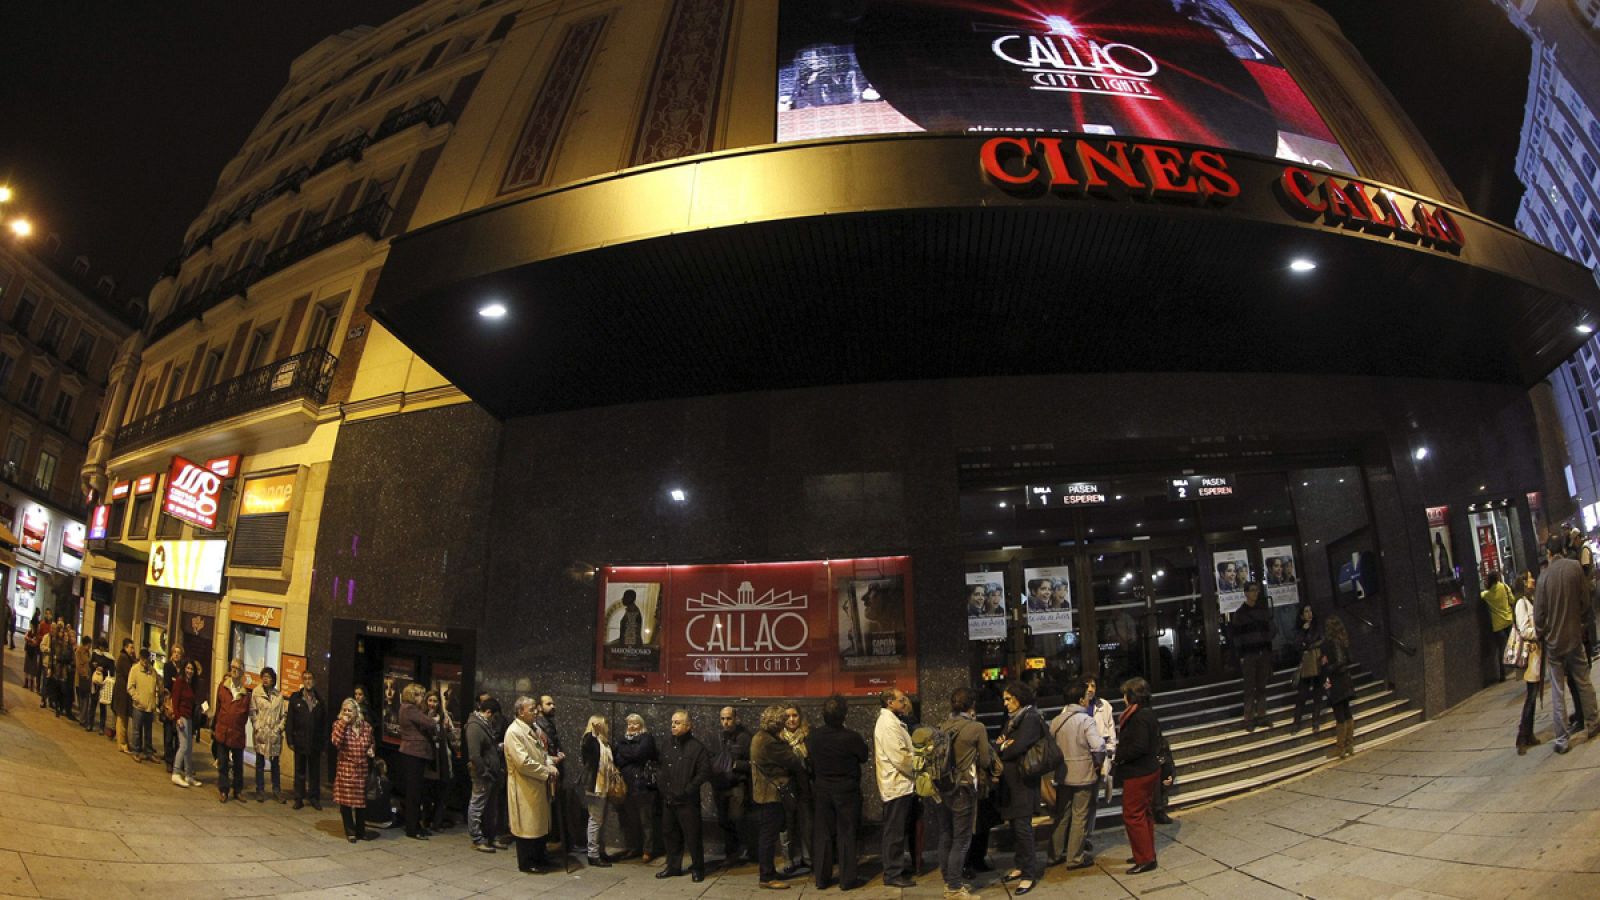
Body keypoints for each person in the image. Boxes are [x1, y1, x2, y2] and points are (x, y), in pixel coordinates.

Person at [1534, 533, 1600, 753]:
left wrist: (1543, 633)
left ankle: (1562, 739)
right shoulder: (1574, 568)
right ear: (1563, 549)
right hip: (1574, 637)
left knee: (1557, 690)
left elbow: (1538, 617)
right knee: (1583, 680)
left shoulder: (1543, 578)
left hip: (1554, 644)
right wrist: (1579, 621)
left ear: (1549, 553)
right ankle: (1593, 722)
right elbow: (1585, 601)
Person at [938, 687, 997, 900]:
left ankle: (948, 880)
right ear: (972, 705)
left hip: (944, 788)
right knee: (961, 840)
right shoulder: (976, 727)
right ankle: (954, 888)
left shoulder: (943, 726)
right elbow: (985, 760)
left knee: (946, 835)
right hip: (963, 788)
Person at [806, 694, 868, 891]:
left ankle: (821, 878)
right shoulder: (852, 737)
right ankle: (847, 879)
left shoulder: (813, 737)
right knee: (846, 833)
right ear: (844, 715)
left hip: (822, 789)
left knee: (822, 833)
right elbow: (863, 756)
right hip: (847, 790)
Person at [750, 704, 806, 890]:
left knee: (767, 834)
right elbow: (793, 760)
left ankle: (768, 872)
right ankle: (766, 876)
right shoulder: (770, 742)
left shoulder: (759, 737)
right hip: (771, 794)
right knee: (768, 836)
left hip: (763, 793)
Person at [1049, 678, 1103, 872]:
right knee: (1080, 815)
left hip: (1063, 774)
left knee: (1062, 815)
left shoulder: (1056, 720)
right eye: (1086, 696)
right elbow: (1098, 745)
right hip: (1083, 774)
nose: (1088, 699)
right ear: (1080, 700)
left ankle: (1054, 854)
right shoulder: (1085, 720)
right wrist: (1098, 762)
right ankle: (1075, 857)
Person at [995, 681, 1044, 894]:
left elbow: (1018, 746)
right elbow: (998, 743)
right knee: (1016, 826)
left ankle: (1028, 874)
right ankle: (1021, 865)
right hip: (1012, 781)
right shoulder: (1013, 718)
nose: (1005, 703)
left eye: (1008, 699)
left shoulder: (1030, 717)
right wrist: (1003, 745)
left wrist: (1004, 747)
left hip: (1023, 780)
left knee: (1023, 827)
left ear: (1019, 698)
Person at [506, 695, 559, 874]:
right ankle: (527, 862)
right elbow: (523, 762)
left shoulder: (532, 728)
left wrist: (549, 763)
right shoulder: (514, 732)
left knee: (538, 824)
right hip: (524, 786)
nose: (536, 712)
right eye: (531, 710)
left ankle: (539, 857)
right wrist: (545, 771)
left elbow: (542, 752)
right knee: (527, 826)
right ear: (520, 712)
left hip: (537, 785)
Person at [1116, 677, 1163, 875]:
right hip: (1147, 769)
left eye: (1125, 695)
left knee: (1133, 814)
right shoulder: (1146, 713)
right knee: (1144, 813)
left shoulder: (1139, 716)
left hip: (1139, 772)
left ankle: (1145, 858)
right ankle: (1145, 852)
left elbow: (1139, 746)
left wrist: (1118, 756)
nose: (1123, 699)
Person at [872, 688, 916, 889]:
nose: (905, 702)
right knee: (894, 832)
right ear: (890, 702)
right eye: (901, 699)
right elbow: (900, 757)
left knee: (897, 830)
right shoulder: (888, 724)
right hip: (896, 785)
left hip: (899, 784)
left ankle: (895, 868)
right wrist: (918, 766)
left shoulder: (892, 721)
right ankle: (892, 873)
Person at [615, 712, 662, 862]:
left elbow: (640, 754)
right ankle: (635, 847)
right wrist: (632, 754)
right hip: (626, 786)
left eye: (635, 723)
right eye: (629, 723)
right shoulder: (622, 740)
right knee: (631, 820)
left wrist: (626, 753)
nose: (632, 726)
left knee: (645, 820)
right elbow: (618, 759)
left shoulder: (647, 738)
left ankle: (648, 850)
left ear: (641, 725)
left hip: (643, 786)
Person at [331, 696, 378, 843]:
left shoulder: (366, 727)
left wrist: (371, 749)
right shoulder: (338, 725)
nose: (347, 713)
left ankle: (361, 831)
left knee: (361, 802)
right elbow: (335, 742)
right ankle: (350, 831)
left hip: (361, 769)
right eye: (344, 710)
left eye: (349, 710)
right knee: (346, 802)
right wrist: (343, 724)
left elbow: (372, 742)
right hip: (346, 768)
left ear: (356, 712)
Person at [397, 682, 439, 838]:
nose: (422, 698)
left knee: (416, 792)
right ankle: (412, 828)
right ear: (412, 696)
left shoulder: (408, 709)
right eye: (420, 695)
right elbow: (429, 723)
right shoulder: (409, 709)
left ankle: (415, 825)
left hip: (414, 753)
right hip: (414, 753)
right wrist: (435, 718)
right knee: (414, 793)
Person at [713, 706, 754, 866]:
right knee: (724, 820)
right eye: (723, 719)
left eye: (729, 718)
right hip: (721, 783)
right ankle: (731, 853)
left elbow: (753, 762)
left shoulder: (744, 737)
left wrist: (736, 765)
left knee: (737, 818)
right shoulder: (717, 737)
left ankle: (743, 849)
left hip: (737, 783)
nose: (726, 722)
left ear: (736, 719)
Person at [1230, 581, 1274, 730]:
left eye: (1257, 590)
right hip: (1249, 654)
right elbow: (1236, 637)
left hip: (1263, 652)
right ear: (1246, 593)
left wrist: (1268, 648)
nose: (1256, 593)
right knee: (1249, 687)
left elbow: (1270, 630)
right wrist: (1241, 655)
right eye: (1253, 590)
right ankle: (1248, 719)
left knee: (1262, 686)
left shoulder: (1262, 611)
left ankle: (1262, 716)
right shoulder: (1240, 614)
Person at [465, 695, 507, 852]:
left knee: (491, 807)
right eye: (494, 717)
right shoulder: (474, 727)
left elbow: (488, 748)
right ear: (488, 712)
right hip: (482, 774)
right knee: (477, 806)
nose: (495, 721)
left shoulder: (483, 725)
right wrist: (485, 771)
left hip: (491, 773)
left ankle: (490, 837)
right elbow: (474, 755)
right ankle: (477, 839)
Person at [1082, 675, 1118, 845]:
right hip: (1081, 758)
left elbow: (1111, 732)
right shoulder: (1074, 708)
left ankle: (1087, 836)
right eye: (1087, 686)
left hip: (1099, 758)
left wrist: (1110, 753)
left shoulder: (1104, 706)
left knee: (1093, 799)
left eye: (1093, 686)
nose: (1090, 689)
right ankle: (1078, 837)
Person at [579, 715, 617, 867]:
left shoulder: (604, 743)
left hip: (604, 785)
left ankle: (600, 851)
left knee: (601, 820)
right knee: (595, 820)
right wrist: (593, 732)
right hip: (594, 787)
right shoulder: (590, 740)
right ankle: (593, 854)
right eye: (604, 724)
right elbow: (587, 747)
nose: (606, 727)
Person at [288, 669, 329, 809]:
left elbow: (324, 724)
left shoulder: (320, 701)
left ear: (314, 681)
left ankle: (314, 797)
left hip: (315, 742)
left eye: (310, 678)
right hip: (300, 740)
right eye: (305, 678)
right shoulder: (296, 699)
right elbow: (290, 721)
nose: (307, 681)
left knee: (314, 772)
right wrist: (290, 739)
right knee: (299, 771)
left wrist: (324, 743)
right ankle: (299, 797)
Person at [779, 705, 812, 876]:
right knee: (787, 825)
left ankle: (808, 857)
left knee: (807, 823)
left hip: (804, 785)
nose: (791, 720)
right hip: (786, 786)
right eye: (788, 716)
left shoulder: (807, 736)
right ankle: (788, 859)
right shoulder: (779, 738)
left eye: (795, 715)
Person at [1513, 582, 1545, 754]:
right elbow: (1524, 630)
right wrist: (1539, 632)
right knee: (1531, 695)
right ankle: (1522, 735)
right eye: (1530, 578)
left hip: (1536, 654)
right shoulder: (1521, 603)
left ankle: (1528, 733)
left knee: (1533, 694)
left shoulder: (1530, 600)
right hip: (1530, 655)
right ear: (1523, 583)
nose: (1533, 581)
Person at [214, 659, 251, 802]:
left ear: (242, 672)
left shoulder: (245, 694)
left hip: (237, 733)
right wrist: (215, 726)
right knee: (223, 763)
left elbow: (245, 714)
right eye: (232, 667)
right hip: (223, 731)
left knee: (238, 764)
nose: (234, 670)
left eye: (237, 668)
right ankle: (223, 790)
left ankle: (238, 790)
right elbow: (218, 707)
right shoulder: (223, 687)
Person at [421, 689, 458, 831]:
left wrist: (447, 730)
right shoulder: (422, 716)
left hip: (443, 758)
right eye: (430, 700)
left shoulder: (444, 716)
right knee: (427, 792)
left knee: (442, 793)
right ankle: (426, 820)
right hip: (429, 759)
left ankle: (437, 822)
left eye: (435, 701)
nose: (432, 704)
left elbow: (453, 736)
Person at [1320, 615, 1356, 757]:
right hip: (1345, 679)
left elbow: (1326, 664)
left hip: (1335, 681)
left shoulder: (1327, 644)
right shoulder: (1343, 641)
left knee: (1339, 714)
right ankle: (1349, 745)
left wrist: (1328, 670)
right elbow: (1349, 659)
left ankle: (1340, 748)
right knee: (1347, 712)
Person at [250, 666, 287, 803]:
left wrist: (279, 728)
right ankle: (260, 790)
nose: (266, 679)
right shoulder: (256, 693)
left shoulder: (279, 696)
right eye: (264, 676)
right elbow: (252, 712)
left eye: (269, 677)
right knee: (260, 762)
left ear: (273, 680)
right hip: (261, 732)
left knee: (275, 763)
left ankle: (276, 790)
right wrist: (257, 726)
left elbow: (284, 715)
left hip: (274, 734)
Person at [1291, 604, 1324, 734]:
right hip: (1306, 664)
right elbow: (1297, 646)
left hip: (1317, 661)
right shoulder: (1299, 630)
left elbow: (1322, 641)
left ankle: (1315, 722)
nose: (1309, 613)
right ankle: (1296, 722)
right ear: (1301, 615)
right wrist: (1303, 632)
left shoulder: (1317, 627)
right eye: (1306, 611)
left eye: (1310, 611)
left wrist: (1309, 646)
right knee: (1302, 695)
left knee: (1318, 693)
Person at [169, 657, 199, 788]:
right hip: (181, 717)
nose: (189, 671)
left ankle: (188, 775)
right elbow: (175, 701)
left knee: (189, 748)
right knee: (184, 746)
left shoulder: (191, 684)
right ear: (184, 669)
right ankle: (176, 772)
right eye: (187, 668)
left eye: (191, 669)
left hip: (189, 718)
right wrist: (177, 718)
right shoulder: (180, 682)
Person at [127, 649, 160, 763]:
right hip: (139, 706)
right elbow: (130, 687)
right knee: (136, 730)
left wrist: (155, 700)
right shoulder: (135, 669)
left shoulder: (152, 671)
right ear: (140, 658)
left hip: (150, 706)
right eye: (144, 660)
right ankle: (136, 751)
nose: (146, 662)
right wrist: (137, 698)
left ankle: (148, 752)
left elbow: (156, 686)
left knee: (148, 731)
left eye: (147, 660)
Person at [1481, 571, 1515, 682]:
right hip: (1508, 620)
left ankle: (1502, 674)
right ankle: (1519, 666)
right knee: (1513, 645)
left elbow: (1480, 595)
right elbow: (1512, 600)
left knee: (1501, 649)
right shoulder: (1504, 587)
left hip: (1498, 625)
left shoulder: (1487, 594)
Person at [160, 643, 186, 772]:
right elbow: (167, 684)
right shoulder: (168, 666)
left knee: (178, 735)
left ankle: (177, 760)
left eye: (179, 653)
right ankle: (169, 760)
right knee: (169, 734)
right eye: (175, 652)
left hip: (179, 705)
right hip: (169, 704)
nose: (176, 655)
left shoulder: (182, 669)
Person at [112, 638, 135, 751]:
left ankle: (124, 741)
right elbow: (129, 674)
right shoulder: (123, 658)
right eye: (131, 647)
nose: (133, 650)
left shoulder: (127, 658)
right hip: (121, 692)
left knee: (124, 717)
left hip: (124, 693)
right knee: (121, 717)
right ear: (125, 647)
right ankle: (121, 743)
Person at [76, 636, 95, 733]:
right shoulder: (80, 651)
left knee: (85, 699)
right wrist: (85, 674)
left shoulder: (87, 652)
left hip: (87, 678)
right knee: (83, 699)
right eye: (90, 644)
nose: (90, 646)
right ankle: (82, 719)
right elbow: (79, 665)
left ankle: (83, 718)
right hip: (82, 678)